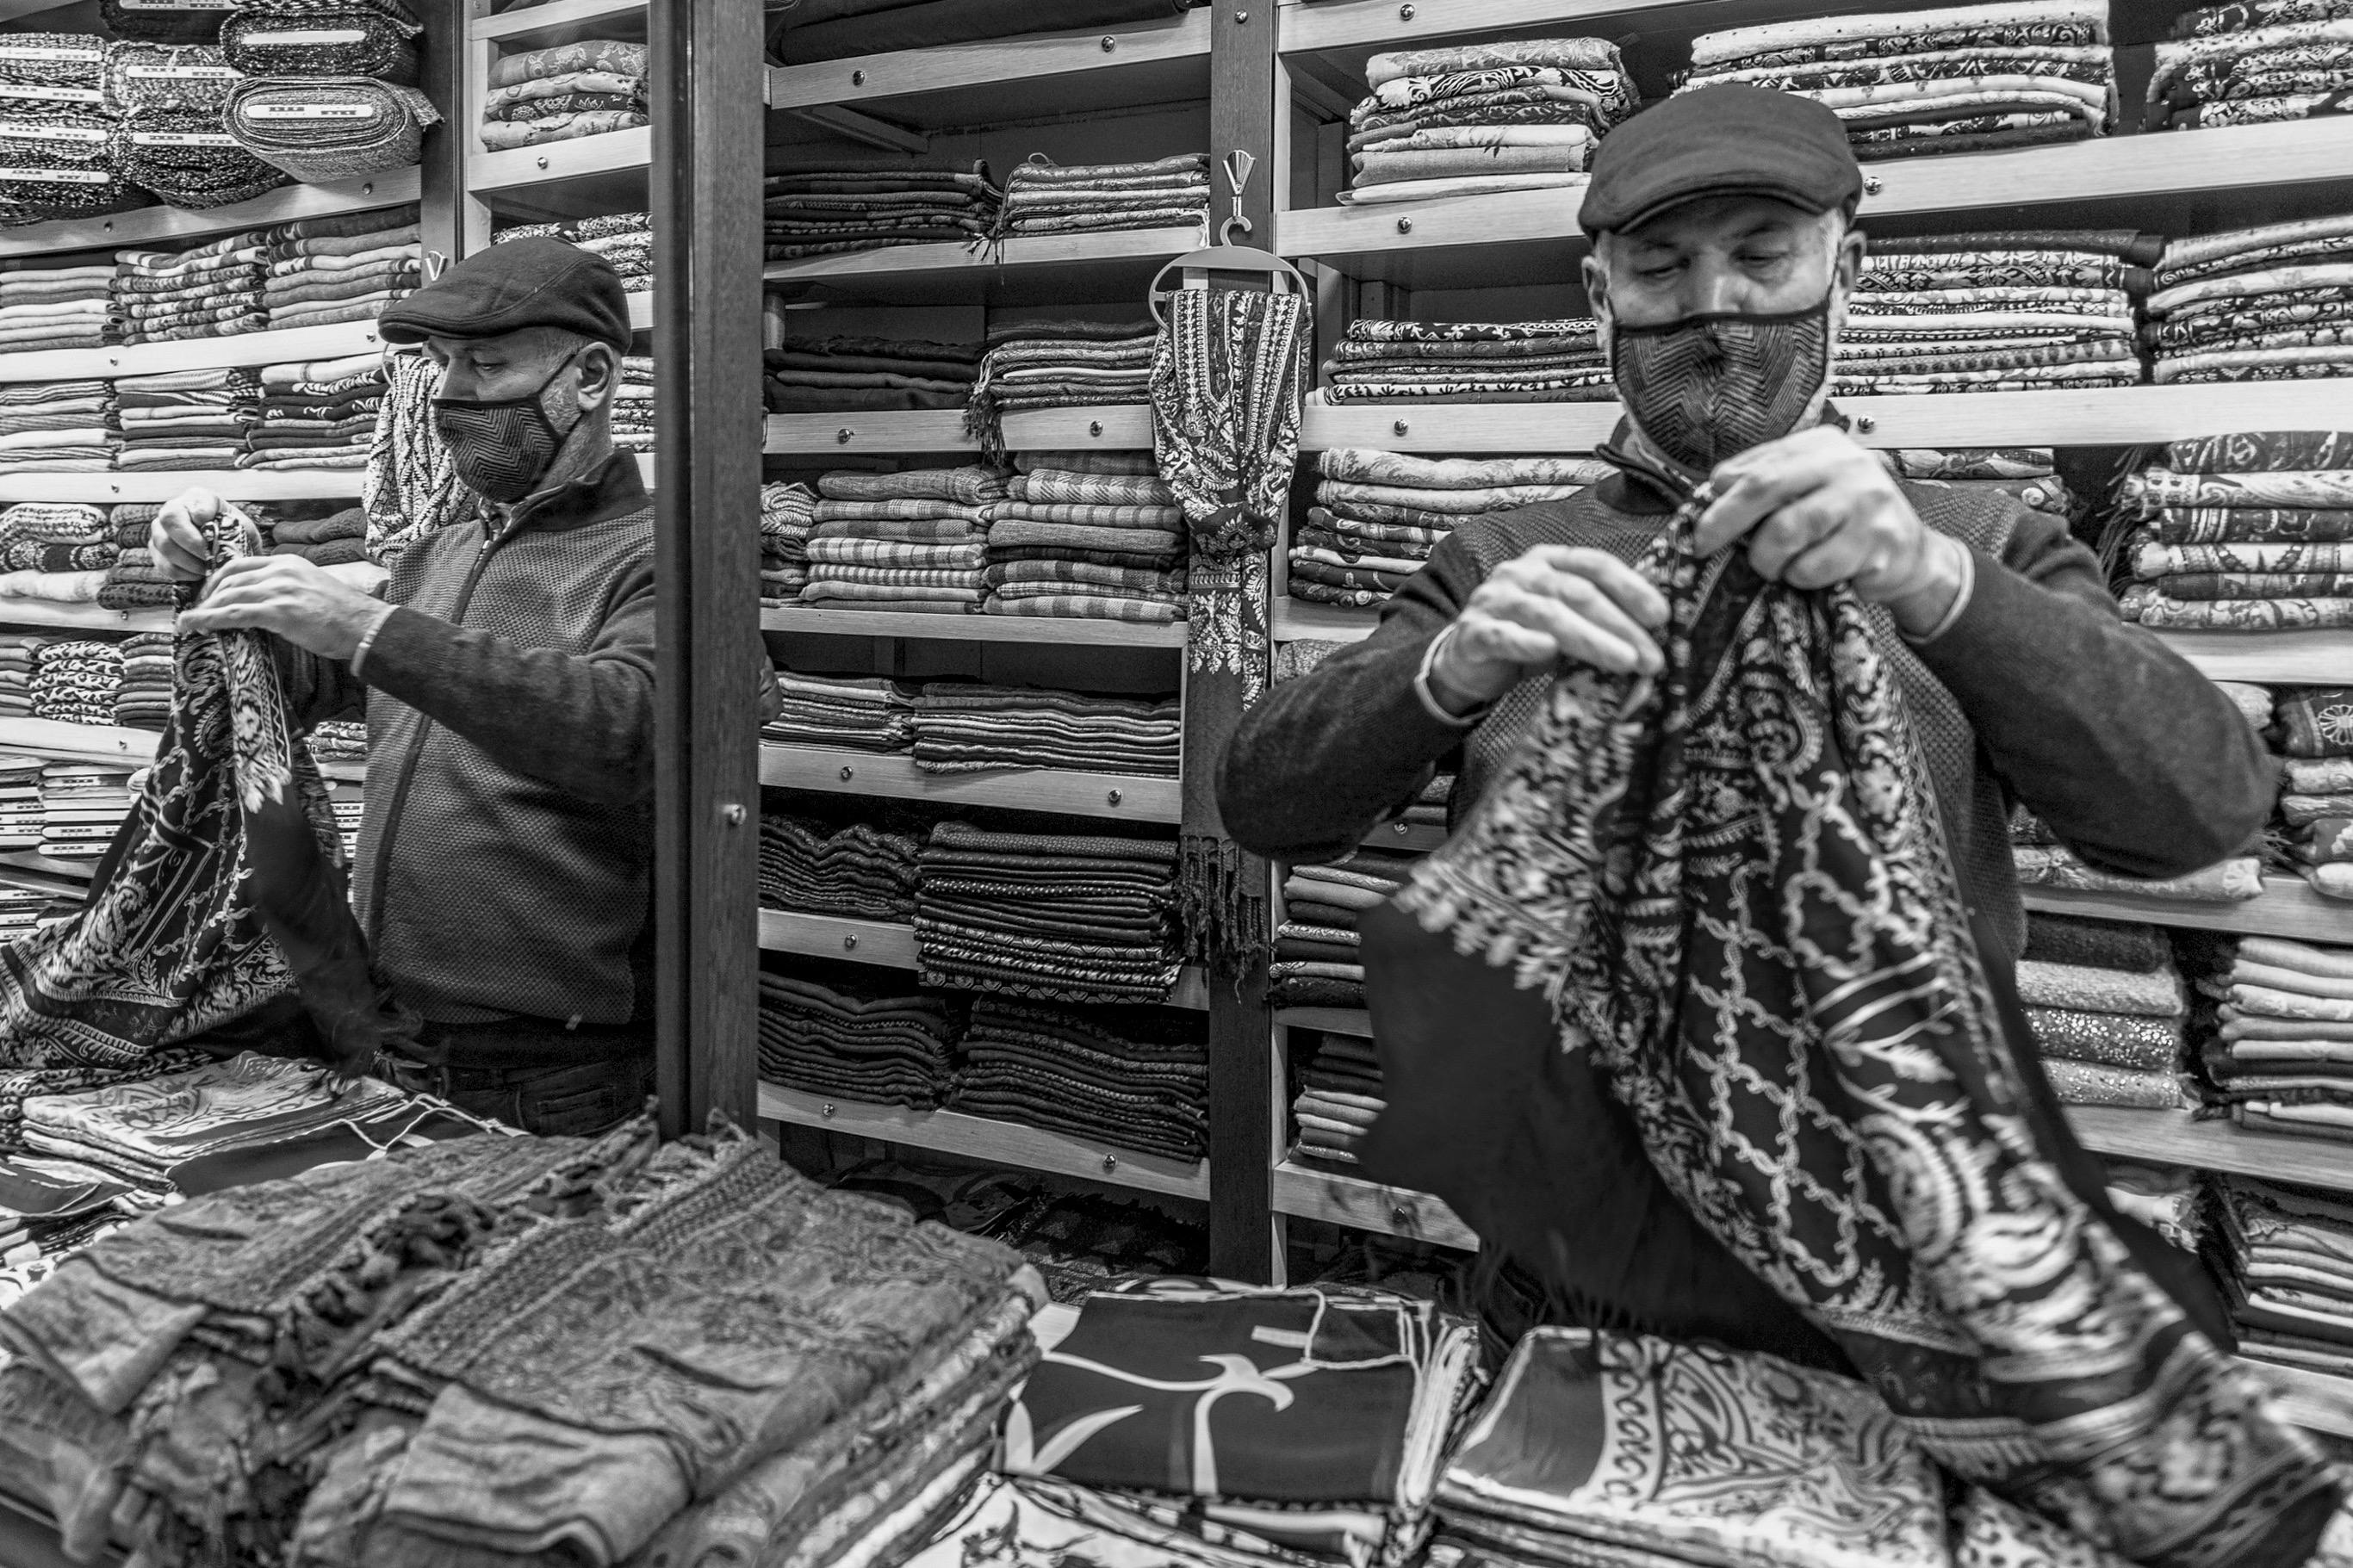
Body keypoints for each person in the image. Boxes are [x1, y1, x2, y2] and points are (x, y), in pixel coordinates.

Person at [1218, 89, 2277, 1358]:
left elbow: (2197, 810)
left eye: (1763, 259)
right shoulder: (1509, 557)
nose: (1715, 311)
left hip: (1905, 1289)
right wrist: (1451, 663)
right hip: (1567, 1276)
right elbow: (1265, 800)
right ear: (1597, 294)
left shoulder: (1983, 541)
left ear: (1847, 269)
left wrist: (1938, 586)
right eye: (1662, 271)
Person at [151, 238, 667, 1137]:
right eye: (441, 366)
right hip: (392, 1037)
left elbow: (630, 731)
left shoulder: (663, 555)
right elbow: (318, 688)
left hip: (550, 1068)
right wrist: (216, 570)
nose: (453, 394)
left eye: (487, 363)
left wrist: (364, 624)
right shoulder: (448, 549)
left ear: (589, 376)